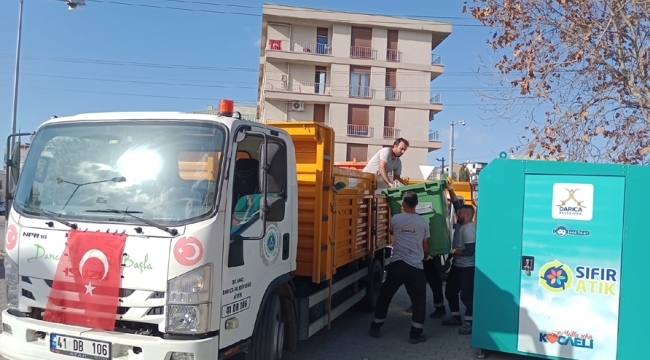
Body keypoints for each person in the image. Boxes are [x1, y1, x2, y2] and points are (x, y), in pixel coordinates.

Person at [369, 191, 429, 344]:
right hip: (416, 267)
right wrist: (424, 255)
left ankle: (376, 327)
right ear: (417, 204)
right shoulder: (423, 222)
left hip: (397, 265)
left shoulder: (395, 219)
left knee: (385, 297)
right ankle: (415, 335)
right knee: (419, 302)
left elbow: (391, 232)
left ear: (403, 204)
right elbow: (425, 247)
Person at [405, 178, 463, 318]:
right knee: (417, 282)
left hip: (429, 254)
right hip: (419, 253)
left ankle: (440, 307)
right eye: (456, 213)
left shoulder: (463, 224)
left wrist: (450, 188)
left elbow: (457, 205)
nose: (456, 215)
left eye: (458, 213)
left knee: (434, 282)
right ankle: (419, 305)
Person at [441, 204, 476, 335]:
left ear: (466, 216)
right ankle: (455, 317)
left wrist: (453, 251)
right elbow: (457, 205)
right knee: (450, 292)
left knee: (467, 296)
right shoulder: (461, 226)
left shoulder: (469, 231)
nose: (457, 214)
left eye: (459, 213)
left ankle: (469, 323)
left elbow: (470, 251)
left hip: (467, 268)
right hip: (457, 266)